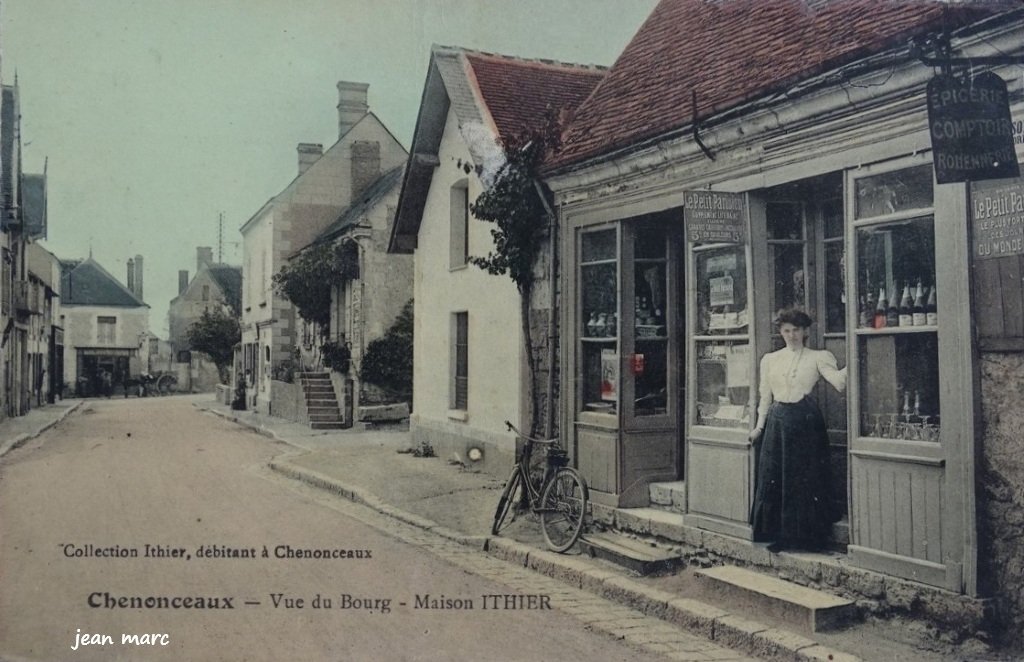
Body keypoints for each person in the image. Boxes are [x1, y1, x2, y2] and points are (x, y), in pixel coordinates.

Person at [749, 308, 846, 551]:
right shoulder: (770, 360)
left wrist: (855, 355)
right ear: (781, 332)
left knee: (802, 479)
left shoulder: (818, 357)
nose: (791, 335)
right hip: (777, 422)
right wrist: (759, 427)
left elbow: (840, 383)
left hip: (805, 423)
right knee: (776, 477)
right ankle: (777, 535)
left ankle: (804, 537)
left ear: (805, 331)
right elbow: (765, 396)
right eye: (786, 331)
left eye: (796, 330)